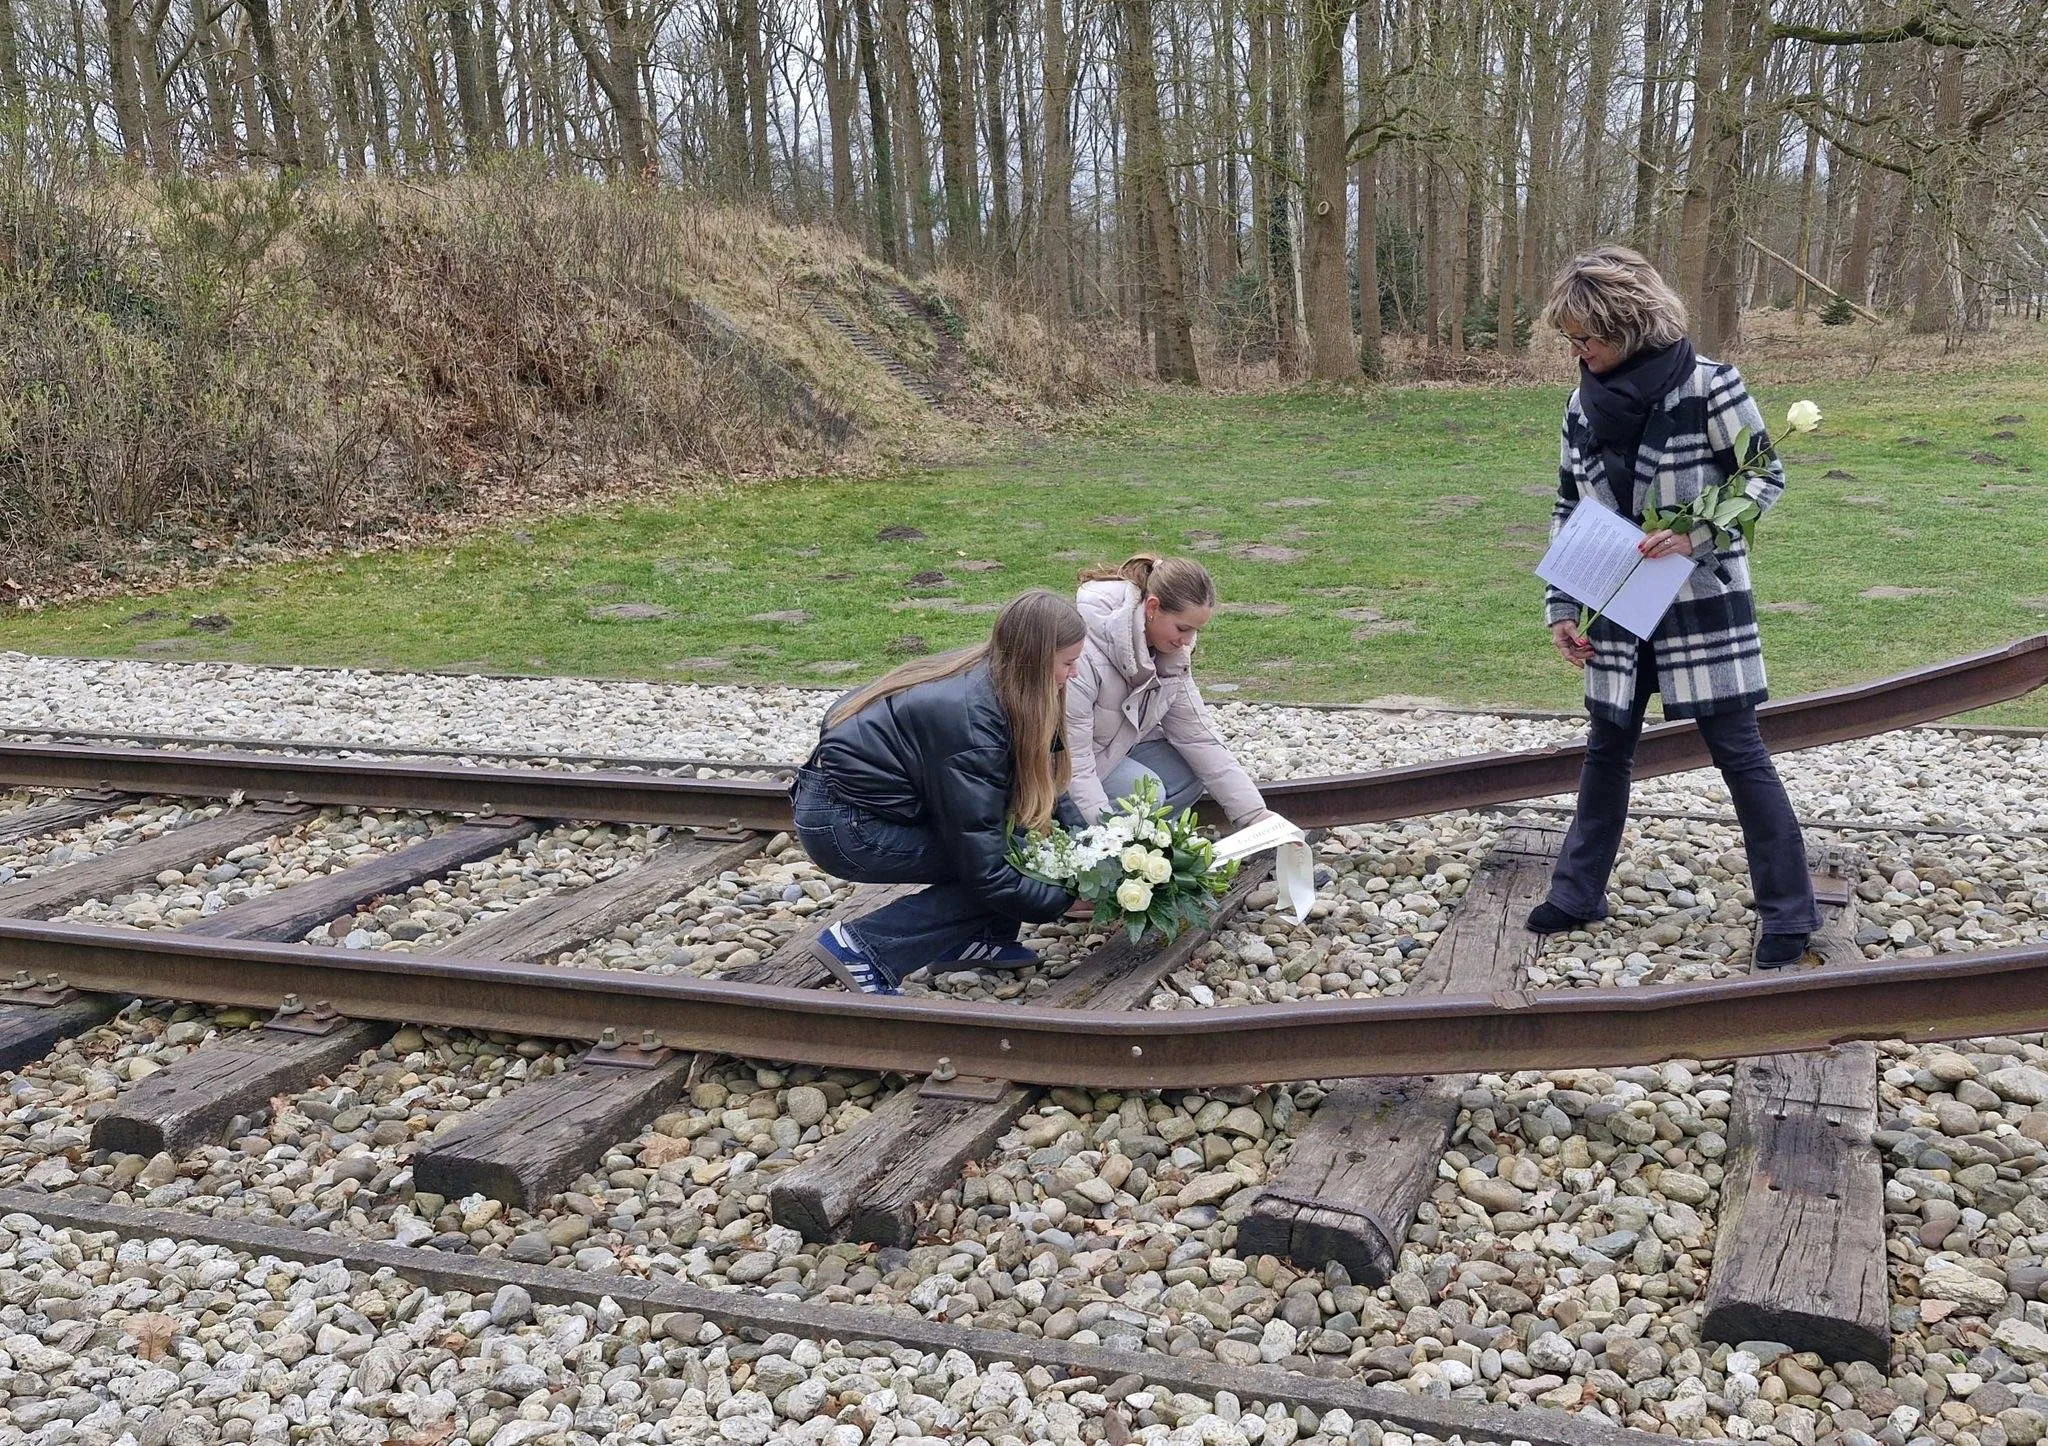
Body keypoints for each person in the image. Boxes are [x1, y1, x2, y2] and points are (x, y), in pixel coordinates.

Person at [1531, 245, 1819, 968]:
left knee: (1740, 754)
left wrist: (1695, 532)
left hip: (1699, 602)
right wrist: (1562, 605)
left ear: (1628, 326)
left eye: (1587, 338)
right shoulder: (1578, 404)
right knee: (1605, 750)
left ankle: (1790, 913)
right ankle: (1577, 894)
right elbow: (1571, 506)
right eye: (1571, 339)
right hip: (1614, 603)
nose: (1580, 352)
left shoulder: (1711, 387)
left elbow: (1764, 476)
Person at [791, 589, 1084, 994]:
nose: (1075, 674)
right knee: (1014, 864)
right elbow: (987, 871)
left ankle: (977, 938)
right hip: (844, 825)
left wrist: (1091, 848)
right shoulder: (973, 722)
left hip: (861, 804)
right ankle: (864, 946)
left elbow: (1047, 786)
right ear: (1034, 659)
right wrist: (1066, 894)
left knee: (1020, 847)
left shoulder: (1006, 682)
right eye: (1069, 663)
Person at [1068, 553, 1271, 828]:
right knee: (1146, 793)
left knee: (1188, 774)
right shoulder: (1083, 654)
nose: (1187, 641)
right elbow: (1074, 763)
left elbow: (1198, 737)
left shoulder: (1171, 655)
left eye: (1196, 631)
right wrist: (1105, 842)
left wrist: (1254, 814)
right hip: (1059, 770)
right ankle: (1089, 845)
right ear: (1152, 607)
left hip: (1114, 751)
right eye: (1183, 628)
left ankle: (1143, 842)